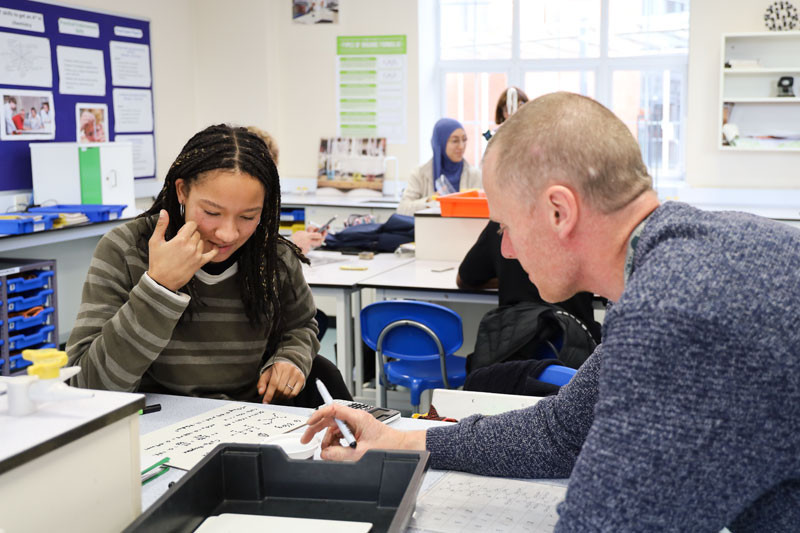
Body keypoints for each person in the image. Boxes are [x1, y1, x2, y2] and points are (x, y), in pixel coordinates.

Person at [303, 92, 800, 530]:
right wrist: (400, 439)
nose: (509, 250)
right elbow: (560, 432)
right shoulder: (691, 256)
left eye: (506, 226)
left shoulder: (672, 311)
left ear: (559, 211)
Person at [67, 124, 351, 406]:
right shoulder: (126, 249)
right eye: (212, 212)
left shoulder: (274, 256)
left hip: (250, 417)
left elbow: (301, 326)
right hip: (155, 424)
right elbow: (88, 387)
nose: (228, 233)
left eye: (248, 216)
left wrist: (291, 358)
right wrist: (159, 288)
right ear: (182, 191)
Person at [397, 118, 481, 215]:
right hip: (429, 229)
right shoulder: (420, 174)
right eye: (455, 141)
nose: (461, 146)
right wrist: (430, 201)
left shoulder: (475, 175)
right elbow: (403, 209)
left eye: (464, 140)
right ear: (440, 143)